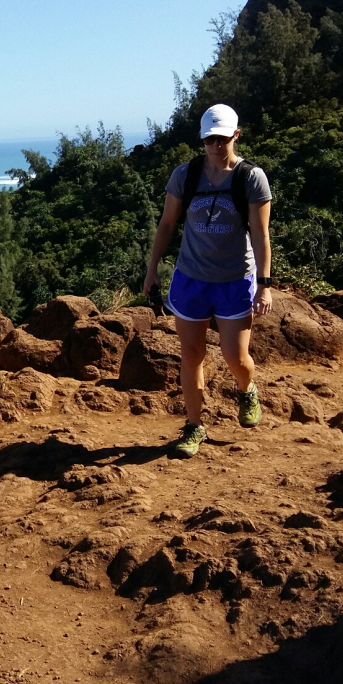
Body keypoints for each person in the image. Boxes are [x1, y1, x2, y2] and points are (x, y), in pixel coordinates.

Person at [142, 104, 274, 458]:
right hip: (191, 278)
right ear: (202, 140)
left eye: (223, 137)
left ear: (236, 135)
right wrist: (152, 268)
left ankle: (247, 389)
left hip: (235, 279)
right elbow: (167, 224)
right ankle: (194, 425)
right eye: (210, 139)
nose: (217, 145)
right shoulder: (185, 175)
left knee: (235, 356)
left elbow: (261, 235)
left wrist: (264, 284)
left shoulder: (251, 178)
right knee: (191, 355)